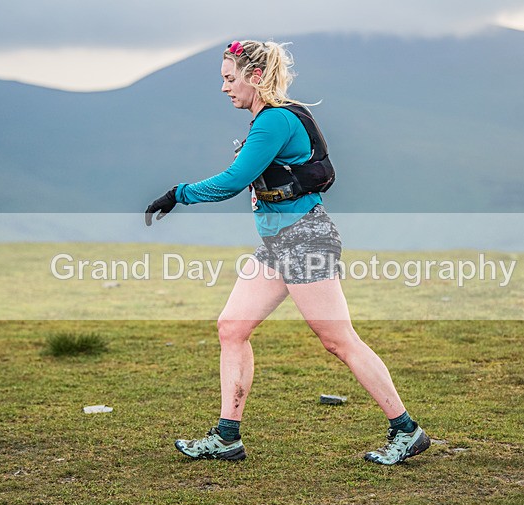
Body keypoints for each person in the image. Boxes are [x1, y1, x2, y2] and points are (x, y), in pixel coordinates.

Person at [145, 39, 430, 465]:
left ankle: (406, 430)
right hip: (279, 245)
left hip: (305, 239)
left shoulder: (274, 121)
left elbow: (232, 180)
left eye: (229, 78)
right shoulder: (272, 119)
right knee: (232, 327)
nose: (224, 88)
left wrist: (177, 194)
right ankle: (227, 437)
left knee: (338, 340)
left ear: (254, 77)